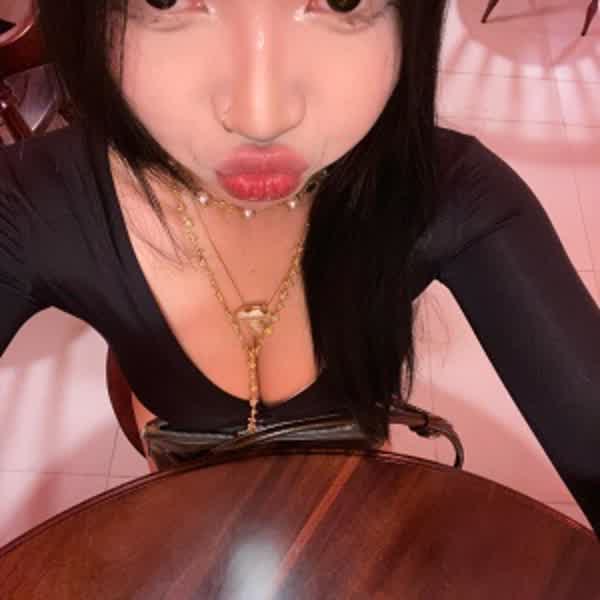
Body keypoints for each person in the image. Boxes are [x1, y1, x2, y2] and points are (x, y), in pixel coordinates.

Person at [1, 0, 598, 537]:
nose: (261, 116)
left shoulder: (451, 193)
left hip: (348, 502)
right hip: (181, 506)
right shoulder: (32, 204)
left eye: (340, 1)